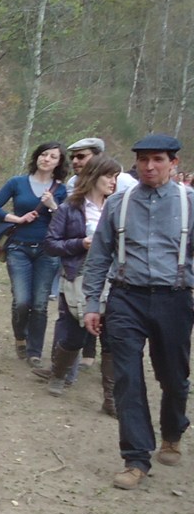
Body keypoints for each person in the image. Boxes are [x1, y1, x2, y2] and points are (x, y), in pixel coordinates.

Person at [83, 134, 194, 491]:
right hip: (126, 298)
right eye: (143, 159)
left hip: (174, 298)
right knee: (127, 377)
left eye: (158, 159)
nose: (149, 166)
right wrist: (92, 304)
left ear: (173, 163)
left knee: (173, 376)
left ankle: (173, 430)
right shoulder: (120, 203)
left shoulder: (189, 202)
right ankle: (135, 457)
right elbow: (100, 255)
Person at [38, 155, 121, 399]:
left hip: (114, 279)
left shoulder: (118, 208)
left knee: (111, 337)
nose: (113, 182)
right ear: (94, 176)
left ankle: (110, 397)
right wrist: (80, 243)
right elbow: (51, 244)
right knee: (74, 333)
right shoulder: (69, 208)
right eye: (109, 176)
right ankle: (58, 375)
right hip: (78, 277)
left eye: (116, 177)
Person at [0, 142, 69, 366]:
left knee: (40, 303)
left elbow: (66, 221)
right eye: (44, 154)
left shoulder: (61, 190)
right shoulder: (17, 182)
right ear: (37, 156)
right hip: (18, 248)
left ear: (59, 163)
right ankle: (20, 336)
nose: (47, 159)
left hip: (47, 251)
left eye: (53, 156)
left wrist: (53, 205)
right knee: (22, 301)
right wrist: (17, 219)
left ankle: (35, 351)